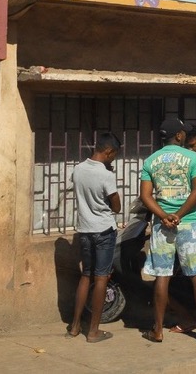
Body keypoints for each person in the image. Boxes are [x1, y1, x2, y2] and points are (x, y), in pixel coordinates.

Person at [140, 116, 196, 344]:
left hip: (163, 226)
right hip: (189, 222)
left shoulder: (150, 161)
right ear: (180, 136)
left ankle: (158, 331)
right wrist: (180, 215)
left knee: (162, 276)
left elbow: (145, 196)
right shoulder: (192, 157)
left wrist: (164, 216)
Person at [67, 131, 122, 343]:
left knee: (85, 276)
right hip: (104, 231)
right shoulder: (106, 175)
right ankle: (93, 331)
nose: (113, 159)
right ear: (108, 151)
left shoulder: (78, 169)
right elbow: (116, 206)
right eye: (114, 155)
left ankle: (74, 326)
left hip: (84, 230)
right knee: (102, 278)